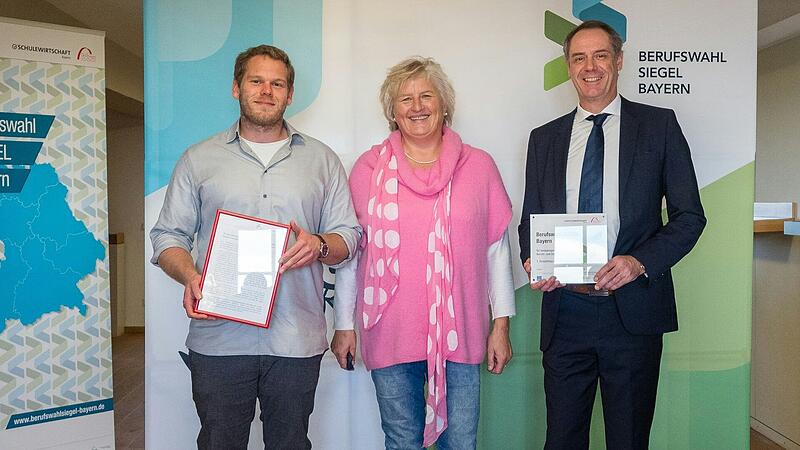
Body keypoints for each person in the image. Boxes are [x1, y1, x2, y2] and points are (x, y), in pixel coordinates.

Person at [149, 45, 361, 450]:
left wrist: (317, 245)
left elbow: (348, 238)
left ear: (290, 94)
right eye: (256, 81)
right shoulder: (198, 159)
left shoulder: (323, 161)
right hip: (220, 339)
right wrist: (191, 275)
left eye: (277, 83)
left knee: (290, 444)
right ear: (236, 88)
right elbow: (167, 237)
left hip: (296, 340)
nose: (267, 91)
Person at [518, 21, 706, 450]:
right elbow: (530, 220)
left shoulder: (659, 126)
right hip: (565, 313)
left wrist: (639, 261)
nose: (590, 67)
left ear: (618, 61)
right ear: (568, 66)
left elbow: (689, 216)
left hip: (633, 312)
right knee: (562, 440)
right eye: (579, 57)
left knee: (628, 440)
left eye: (600, 55)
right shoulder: (544, 139)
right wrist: (533, 259)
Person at [331, 56, 516, 450]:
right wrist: (343, 325)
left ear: (444, 104)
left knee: (461, 443)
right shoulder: (367, 170)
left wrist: (501, 326)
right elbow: (352, 256)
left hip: (461, 334)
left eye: (426, 95)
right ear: (392, 111)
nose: (417, 106)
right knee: (401, 441)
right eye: (405, 99)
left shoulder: (479, 166)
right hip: (390, 331)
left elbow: (495, 252)